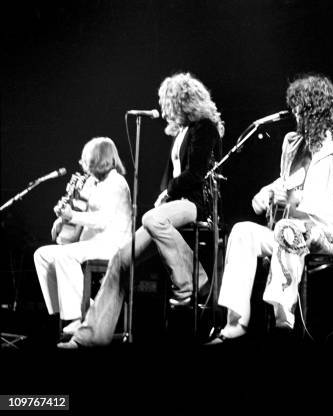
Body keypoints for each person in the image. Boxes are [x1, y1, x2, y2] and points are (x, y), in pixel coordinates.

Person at [59, 72, 223, 348]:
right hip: (171, 207)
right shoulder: (181, 132)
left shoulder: (204, 127)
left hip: (195, 204)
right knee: (121, 260)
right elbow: (172, 174)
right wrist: (165, 193)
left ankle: (192, 281)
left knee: (151, 217)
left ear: (181, 100)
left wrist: (168, 192)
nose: (163, 108)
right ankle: (88, 337)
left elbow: (195, 173)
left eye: (166, 101)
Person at [209, 74, 333, 343]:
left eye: (301, 110)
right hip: (283, 231)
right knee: (242, 231)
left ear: (316, 110)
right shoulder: (293, 145)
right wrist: (266, 192)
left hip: (325, 234)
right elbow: (284, 181)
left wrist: (298, 201)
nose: (296, 116)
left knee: (289, 228)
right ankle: (235, 323)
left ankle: (283, 322)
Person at [34, 137, 132, 336]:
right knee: (42, 255)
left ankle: (80, 316)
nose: (85, 165)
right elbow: (79, 209)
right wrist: (62, 220)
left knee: (64, 256)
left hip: (113, 243)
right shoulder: (93, 182)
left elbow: (103, 220)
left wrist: (73, 215)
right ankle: (76, 310)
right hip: (93, 242)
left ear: (100, 159)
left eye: (89, 160)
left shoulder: (117, 183)